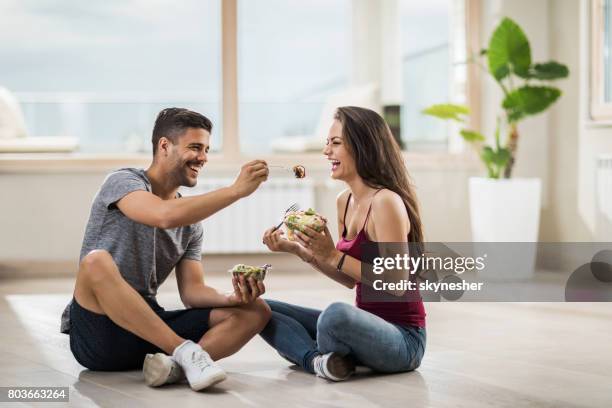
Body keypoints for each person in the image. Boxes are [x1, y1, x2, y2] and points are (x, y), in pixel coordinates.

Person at [60, 108, 272, 391]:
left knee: (256, 311)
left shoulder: (191, 224)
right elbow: (162, 215)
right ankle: (187, 354)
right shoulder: (123, 182)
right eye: (195, 147)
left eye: (207, 149)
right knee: (95, 261)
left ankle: (172, 368)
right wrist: (235, 190)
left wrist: (233, 297)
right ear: (164, 146)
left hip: (148, 330)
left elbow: (193, 293)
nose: (203, 158)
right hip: (98, 335)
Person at [261, 106, 426, 381]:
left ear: (363, 147)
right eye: (327, 143)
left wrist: (332, 253)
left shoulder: (386, 202)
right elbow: (349, 279)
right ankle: (318, 361)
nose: (326, 152)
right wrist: (302, 251)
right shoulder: (344, 201)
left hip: (403, 340)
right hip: (365, 328)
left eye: (335, 143)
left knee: (335, 316)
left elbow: (397, 283)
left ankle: (312, 353)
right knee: (262, 309)